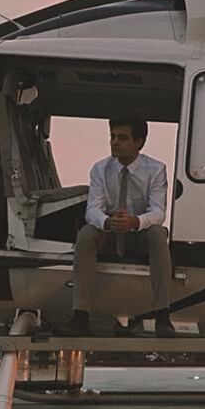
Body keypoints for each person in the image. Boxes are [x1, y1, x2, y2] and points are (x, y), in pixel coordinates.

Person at [62, 116, 174, 337]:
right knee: (86, 233)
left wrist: (135, 222)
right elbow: (92, 209)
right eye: (112, 136)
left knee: (158, 235)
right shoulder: (100, 169)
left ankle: (163, 315)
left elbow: (158, 211)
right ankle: (80, 315)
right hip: (110, 232)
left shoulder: (156, 169)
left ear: (139, 142)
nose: (114, 142)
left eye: (122, 138)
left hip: (138, 232)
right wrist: (107, 222)